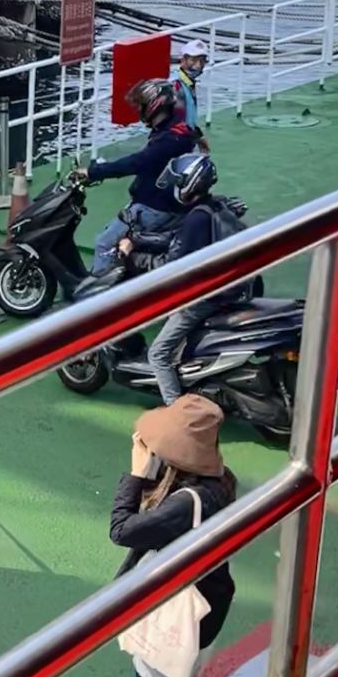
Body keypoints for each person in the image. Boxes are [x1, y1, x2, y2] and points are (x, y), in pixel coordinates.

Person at [106, 396, 255, 677]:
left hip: (174, 618)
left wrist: (136, 475)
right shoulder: (219, 482)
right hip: (204, 607)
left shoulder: (186, 502)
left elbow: (122, 531)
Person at [143, 153, 251, 405]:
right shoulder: (218, 206)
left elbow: (175, 264)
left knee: (158, 355)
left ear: (189, 184)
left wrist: (141, 260)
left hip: (204, 298)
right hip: (232, 288)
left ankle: (176, 410)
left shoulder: (196, 219)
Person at [81, 78, 202, 274]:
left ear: (154, 105)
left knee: (104, 244)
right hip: (161, 202)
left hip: (154, 207)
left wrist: (94, 172)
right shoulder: (176, 130)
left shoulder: (169, 139)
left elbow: (138, 162)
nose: (138, 111)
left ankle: (96, 296)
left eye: (140, 106)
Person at [169, 40, 213, 154]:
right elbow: (177, 120)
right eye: (193, 60)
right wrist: (198, 137)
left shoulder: (187, 83)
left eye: (202, 61)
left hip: (183, 141)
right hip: (173, 144)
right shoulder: (176, 85)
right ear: (183, 60)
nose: (198, 65)